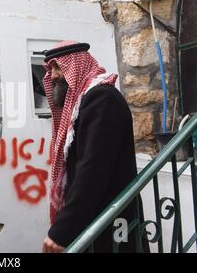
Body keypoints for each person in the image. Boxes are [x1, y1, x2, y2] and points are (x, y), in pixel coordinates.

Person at [40, 41, 145, 253]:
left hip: (111, 219)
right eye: (50, 68)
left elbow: (93, 170)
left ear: (76, 66)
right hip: (95, 216)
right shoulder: (86, 101)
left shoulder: (102, 98)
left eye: (58, 67)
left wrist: (62, 230)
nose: (53, 75)